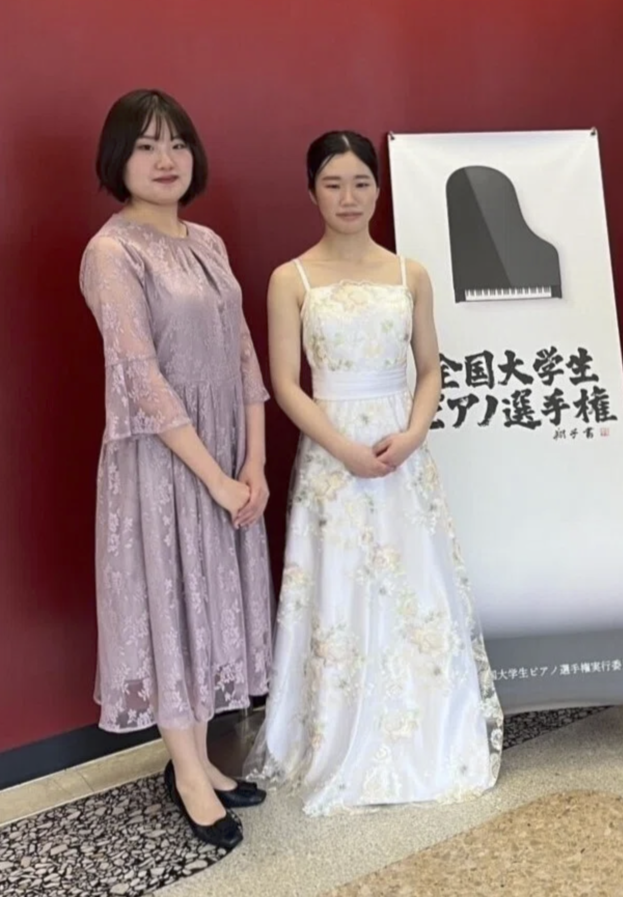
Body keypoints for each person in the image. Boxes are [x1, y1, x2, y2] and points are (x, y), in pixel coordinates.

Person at [244, 130, 502, 814]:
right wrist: (341, 447)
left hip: (402, 452)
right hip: (332, 460)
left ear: (379, 190)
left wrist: (415, 430)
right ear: (311, 192)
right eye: (333, 184)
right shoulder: (290, 278)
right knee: (339, 590)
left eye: (361, 182)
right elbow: (286, 382)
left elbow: (429, 367)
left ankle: (430, 730)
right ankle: (331, 734)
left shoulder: (409, 272)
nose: (348, 196)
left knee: (414, 586)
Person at [80, 89, 274, 850]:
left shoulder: (210, 241)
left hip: (227, 452)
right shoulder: (111, 251)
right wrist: (215, 477)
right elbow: (141, 377)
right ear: (118, 161)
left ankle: (203, 759)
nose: (166, 160)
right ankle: (188, 770)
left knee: (211, 602)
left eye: (178, 144)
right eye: (146, 146)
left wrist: (253, 460)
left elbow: (244, 354)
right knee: (170, 606)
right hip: (163, 463)